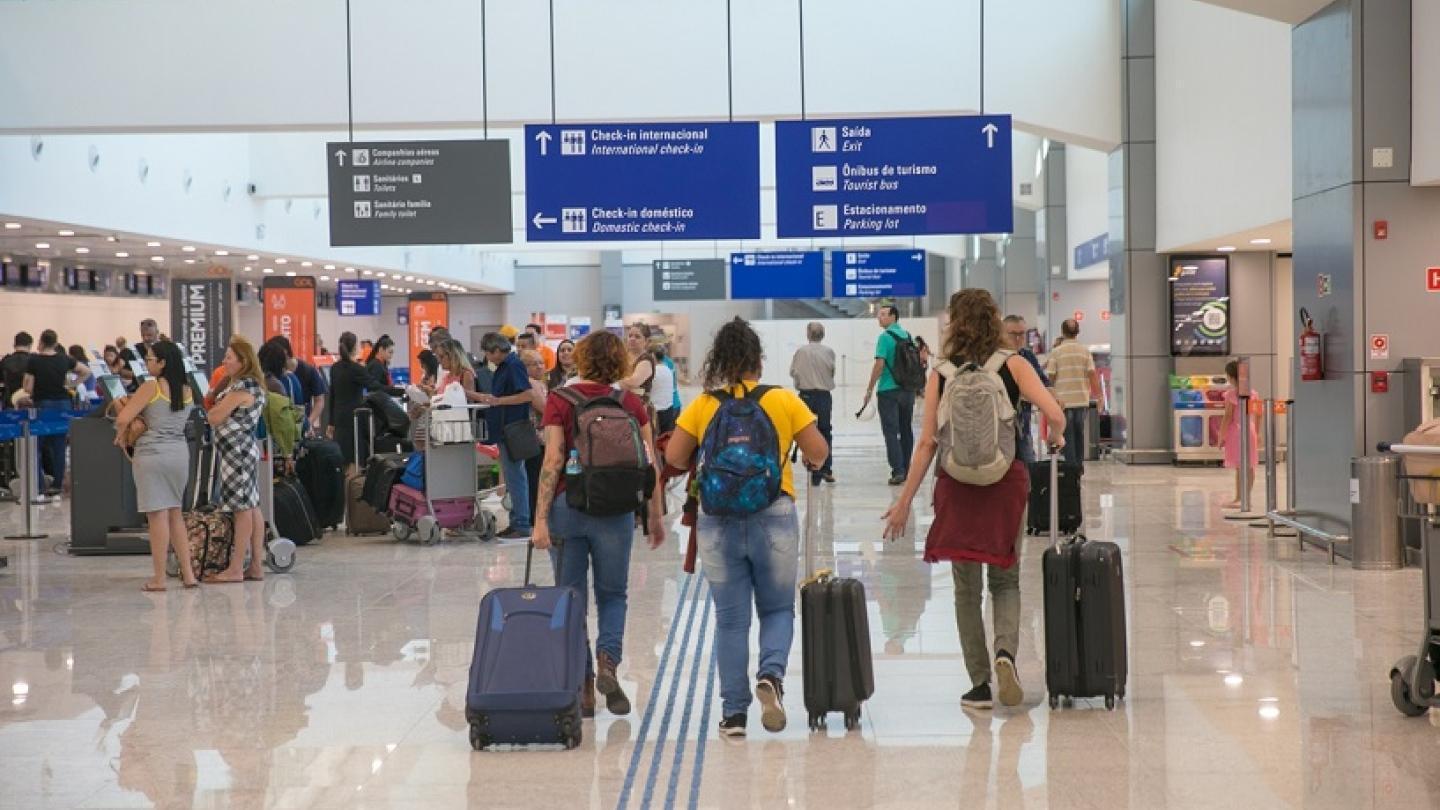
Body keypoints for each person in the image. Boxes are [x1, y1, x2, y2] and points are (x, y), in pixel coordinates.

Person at [882, 289, 1066, 711]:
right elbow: (1055, 414)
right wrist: (1057, 437)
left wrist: (904, 501)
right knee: (1006, 579)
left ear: (954, 324)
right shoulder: (1013, 363)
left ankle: (979, 685)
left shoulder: (942, 371)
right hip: (1006, 481)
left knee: (966, 590)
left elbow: (927, 442)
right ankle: (1006, 655)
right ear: (994, 320)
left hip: (957, 484)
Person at [664, 317, 828, 737]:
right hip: (774, 513)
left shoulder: (705, 404)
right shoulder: (782, 399)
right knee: (777, 609)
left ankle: (734, 714)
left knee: (730, 620)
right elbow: (819, 451)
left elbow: (675, 458)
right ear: (758, 359)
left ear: (719, 359)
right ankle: (770, 675)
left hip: (717, 519)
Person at [532, 330, 666, 717]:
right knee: (613, 595)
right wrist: (655, 515)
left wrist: (539, 521)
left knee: (571, 598)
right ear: (620, 361)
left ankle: (584, 684)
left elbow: (553, 460)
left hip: (568, 509)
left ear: (582, 359)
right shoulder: (631, 402)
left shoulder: (560, 399)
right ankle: (609, 662)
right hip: (616, 512)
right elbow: (651, 463)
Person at [112, 340, 198, 591]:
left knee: (157, 516)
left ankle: (159, 579)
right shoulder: (187, 390)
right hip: (178, 454)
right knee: (175, 513)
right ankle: (189, 575)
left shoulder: (151, 387)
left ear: (162, 363)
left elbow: (123, 418)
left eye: (149, 359)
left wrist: (121, 434)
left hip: (152, 455)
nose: (146, 363)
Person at [205, 336, 268, 584]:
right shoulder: (249, 385)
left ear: (243, 361)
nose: (224, 362)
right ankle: (256, 565)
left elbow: (214, 416)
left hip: (236, 455)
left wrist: (216, 404)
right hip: (243, 451)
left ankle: (235, 568)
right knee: (251, 506)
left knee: (241, 509)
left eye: (229, 357)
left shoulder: (243, 388)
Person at [477, 332, 535, 540]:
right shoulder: (504, 366)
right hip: (504, 429)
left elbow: (527, 394)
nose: (487, 358)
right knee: (513, 478)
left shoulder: (513, 365)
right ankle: (516, 520)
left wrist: (499, 401)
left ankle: (521, 523)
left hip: (513, 429)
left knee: (516, 477)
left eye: (488, 353)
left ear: (496, 350)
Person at [861, 305, 916, 485]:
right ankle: (906, 468)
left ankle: (898, 471)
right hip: (907, 390)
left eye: (883, 314)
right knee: (906, 429)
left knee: (891, 432)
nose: (879, 317)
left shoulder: (884, 337)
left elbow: (879, 364)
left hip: (888, 390)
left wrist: (869, 389)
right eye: (879, 314)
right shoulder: (907, 336)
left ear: (894, 316)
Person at [23, 330, 77, 495]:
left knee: (37, 445)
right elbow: (85, 371)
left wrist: (30, 393)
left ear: (41, 342)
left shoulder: (34, 360)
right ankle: (57, 485)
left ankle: (39, 485)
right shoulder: (65, 359)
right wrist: (71, 386)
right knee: (59, 446)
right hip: (63, 404)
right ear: (55, 343)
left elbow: (28, 387)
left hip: (43, 404)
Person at [324, 331, 389, 468]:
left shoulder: (334, 368)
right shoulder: (356, 369)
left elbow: (332, 395)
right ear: (354, 348)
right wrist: (399, 390)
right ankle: (355, 479)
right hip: (354, 417)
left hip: (339, 417)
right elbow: (374, 386)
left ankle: (344, 479)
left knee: (342, 456)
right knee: (355, 455)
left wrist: (331, 422)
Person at [1044, 319, 1099, 469]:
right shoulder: (1085, 351)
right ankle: (1079, 467)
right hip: (1081, 400)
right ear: (1078, 332)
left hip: (1063, 401)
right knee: (1079, 434)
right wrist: (1099, 395)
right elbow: (1092, 374)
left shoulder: (1056, 352)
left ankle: (1071, 469)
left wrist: (1050, 397)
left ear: (1062, 332)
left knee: (1067, 435)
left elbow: (1051, 376)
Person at [790, 321, 836, 485]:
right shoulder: (829, 352)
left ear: (808, 334)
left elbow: (793, 372)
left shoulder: (801, 352)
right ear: (822, 335)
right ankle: (826, 468)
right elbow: (832, 372)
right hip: (824, 396)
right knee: (825, 430)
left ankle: (812, 467)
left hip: (806, 396)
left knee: (806, 431)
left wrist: (801, 382)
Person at [1002, 315, 1049, 464]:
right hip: (998, 428)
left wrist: (1051, 394)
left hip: (1023, 424)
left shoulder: (1027, 356)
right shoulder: (992, 358)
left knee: (1028, 466)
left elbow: (1043, 382)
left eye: (1021, 334)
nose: (1018, 339)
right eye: (1013, 334)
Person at [1218, 359, 1261, 509]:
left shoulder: (1231, 394)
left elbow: (1228, 416)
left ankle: (1239, 498)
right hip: (1250, 429)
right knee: (1250, 466)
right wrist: (1257, 433)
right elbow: (1259, 414)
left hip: (1236, 432)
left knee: (1239, 467)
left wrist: (1221, 435)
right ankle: (1246, 498)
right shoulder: (1253, 394)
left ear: (1231, 377)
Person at [271, 335, 327, 435]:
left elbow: (319, 400)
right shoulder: (274, 373)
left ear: (285, 353)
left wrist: (309, 422)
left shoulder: (308, 371)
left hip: (302, 427)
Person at [520, 349, 549, 523]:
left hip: (540, 437)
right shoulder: (530, 383)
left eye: (541, 363)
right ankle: (534, 515)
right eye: (533, 364)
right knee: (535, 477)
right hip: (535, 437)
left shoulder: (540, 383)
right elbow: (545, 409)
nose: (539, 367)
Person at [648, 336, 678, 435]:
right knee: (665, 439)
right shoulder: (668, 368)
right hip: (669, 408)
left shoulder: (653, 371)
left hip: (657, 412)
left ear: (652, 355)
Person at [620, 323, 657, 403]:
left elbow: (633, 382)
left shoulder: (646, 360)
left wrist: (613, 379)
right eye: (630, 336)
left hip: (639, 405)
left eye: (637, 337)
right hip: (620, 403)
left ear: (646, 341)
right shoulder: (622, 356)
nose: (632, 339)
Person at [1, 331, 33, 410]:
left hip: (8, 404)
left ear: (14, 345)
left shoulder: (5, 361)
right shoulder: (34, 361)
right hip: (29, 403)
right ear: (30, 345)